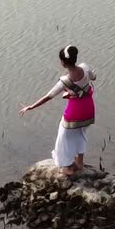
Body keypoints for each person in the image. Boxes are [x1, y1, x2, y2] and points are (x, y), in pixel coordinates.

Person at [19, 45, 96, 176]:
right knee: (81, 133)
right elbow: (92, 78)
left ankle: (66, 167)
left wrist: (31, 106)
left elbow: (48, 96)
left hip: (74, 113)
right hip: (88, 108)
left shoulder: (64, 81)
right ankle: (80, 162)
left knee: (63, 136)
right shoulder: (85, 67)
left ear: (63, 62)